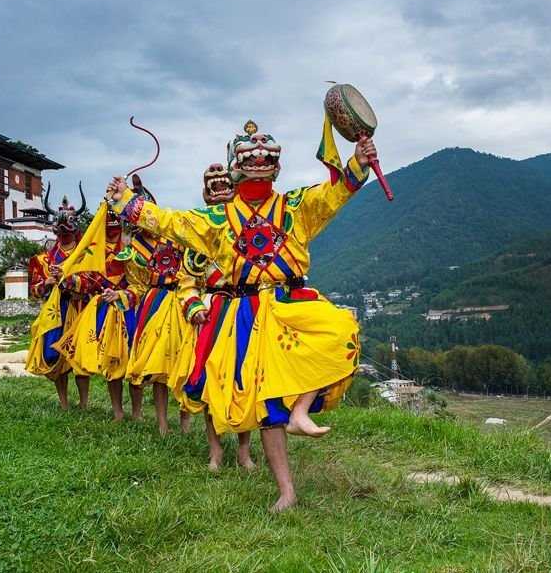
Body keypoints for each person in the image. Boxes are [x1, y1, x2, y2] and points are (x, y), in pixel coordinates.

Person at [106, 118, 375, 511]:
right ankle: (286, 490)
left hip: (289, 302)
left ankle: (300, 410)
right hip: (243, 314)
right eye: (252, 156)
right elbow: (170, 222)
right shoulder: (215, 220)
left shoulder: (294, 207)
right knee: (265, 405)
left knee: (342, 332)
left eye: (268, 156)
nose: (261, 160)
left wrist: (358, 162)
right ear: (236, 165)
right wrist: (126, 201)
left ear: (277, 166)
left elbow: (333, 194)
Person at [173, 163, 254, 472]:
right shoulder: (199, 238)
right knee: (209, 385)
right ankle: (215, 452)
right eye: (213, 186)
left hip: (247, 310)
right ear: (206, 194)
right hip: (214, 316)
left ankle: (244, 452)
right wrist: (194, 305)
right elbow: (187, 281)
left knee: (245, 382)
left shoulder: (249, 229)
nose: (220, 189)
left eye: (225, 184)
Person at [116, 177, 198, 435]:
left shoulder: (176, 236)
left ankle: (185, 422)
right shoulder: (134, 248)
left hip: (182, 300)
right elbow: (137, 286)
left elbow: (195, 269)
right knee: (158, 368)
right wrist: (119, 297)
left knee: (185, 362)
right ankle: (162, 423)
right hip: (154, 304)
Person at [64, 202, 140, 421]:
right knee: (111, 360)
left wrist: (125, 294)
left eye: (117, 217)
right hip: (104, 310)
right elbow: (87, 280)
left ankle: (137, 413)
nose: (113, 222)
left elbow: (141, 281)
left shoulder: (133, 247)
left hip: (131, 308)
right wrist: (68, 278)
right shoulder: (94, 249)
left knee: (133, 359)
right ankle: (117, 412)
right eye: (109, 218)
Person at [25, 185, 92, 410]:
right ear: (55, 231)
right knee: (53, 355)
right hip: (54, 312)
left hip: (79, 308)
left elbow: (93, 282)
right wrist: (47, 283)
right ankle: (64, 403)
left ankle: (83, 403)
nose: (64, 235)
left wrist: (70, 281)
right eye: (61, 231)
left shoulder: (85, 255)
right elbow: (33, 290)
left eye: (68, 231)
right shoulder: (43, 259)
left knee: (79, 358)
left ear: (75, 231)